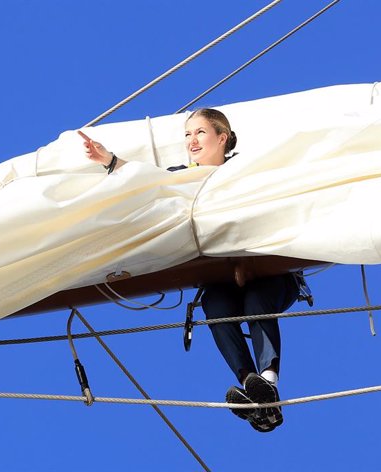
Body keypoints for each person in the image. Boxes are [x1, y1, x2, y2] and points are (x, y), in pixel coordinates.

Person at [80, 108, 301, 433]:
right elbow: (146, 180)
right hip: (222, 280)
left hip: (270, 276)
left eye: (199, 132)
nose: (191, 141)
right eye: (187, 134)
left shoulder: (247, 169)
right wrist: (109, 160)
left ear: (221, 138)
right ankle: (251, 387)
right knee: (215, 306)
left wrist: (247, 261)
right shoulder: (183, 176)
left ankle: (267, 380)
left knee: (256, 301)